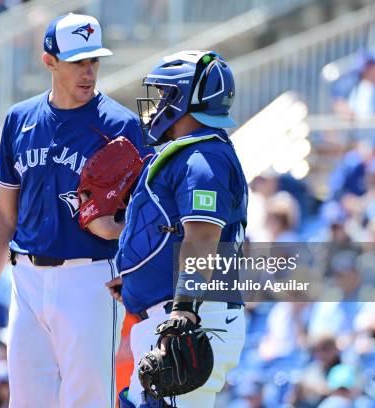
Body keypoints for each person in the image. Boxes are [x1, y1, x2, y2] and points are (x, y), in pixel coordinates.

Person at [0, 13, 151, 407]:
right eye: (77, 61)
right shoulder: (20, 119)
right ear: (49, 61)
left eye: (94, 60)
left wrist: (115, 229)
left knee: (88, 398)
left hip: (90, 277)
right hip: (26, 278)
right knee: (27, 399)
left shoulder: (121, 125)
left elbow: (147, 214)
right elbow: (3, 214)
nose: (88, 71)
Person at [88, 50, 248, 407]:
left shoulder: (204, 158)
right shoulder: (189, 154)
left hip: (192, 321)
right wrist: (138, 279)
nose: (157, 103)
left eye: (165, 94)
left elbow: (204, 237)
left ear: (184, 100)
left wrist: (184, 310)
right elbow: (169, 231)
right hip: (172, 317)